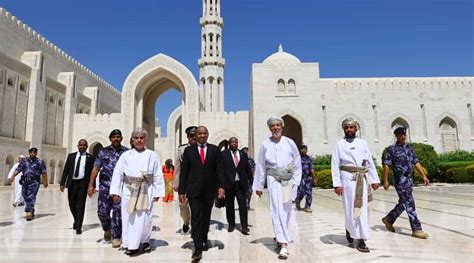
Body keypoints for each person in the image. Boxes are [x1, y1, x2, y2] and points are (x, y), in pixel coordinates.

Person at [253, 117, 302, 260]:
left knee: (286, 210)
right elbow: (261, 165)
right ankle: (283, 243)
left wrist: (296, 181)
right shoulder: (265, 144)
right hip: (273, 179)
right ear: (270, 128)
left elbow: (297, 162)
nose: (275, 128)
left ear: (282, 126)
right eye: (272, 126)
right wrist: (258, 185)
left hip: (287, 179)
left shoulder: (289, 142)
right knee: (276, 210)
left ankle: (282, 234)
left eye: (277, 125)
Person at [110, 128, 165, 256]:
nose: (139, 140)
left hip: (146, 190)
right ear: (132, 140)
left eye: (142, 138)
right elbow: (118, 173)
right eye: (136, 138)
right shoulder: (126, 155)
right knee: (129, 217)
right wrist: (115, 192)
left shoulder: (152, 155)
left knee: (145, 219)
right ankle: (131, 245)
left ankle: (145, 241)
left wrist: (157, 192)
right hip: (129, 190)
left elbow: (157, 174)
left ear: (146, 139)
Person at [331, 118, 380, 253]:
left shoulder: (363, 143)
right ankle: (354, 233)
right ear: (343, 129)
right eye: (346, 128)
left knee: (363, 208)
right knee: (350, 208)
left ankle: (360, 236)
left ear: (356, 129)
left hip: (362, 179)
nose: (349, 130)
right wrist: (337, 184)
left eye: (351, 127)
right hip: (347, 179)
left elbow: (369, 161)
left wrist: (375, 179)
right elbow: (335, 164)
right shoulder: (339, 144)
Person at [179, 126, 225, 261]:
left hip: (209, 190)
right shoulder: (188, 151)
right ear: (196, 135)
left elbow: (220, 170)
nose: (202, 135)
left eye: (205, 133)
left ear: (208, 134)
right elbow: (184, 172)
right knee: (196, 217)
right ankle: (197, 247)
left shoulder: (215, 150)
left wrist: (221, 187)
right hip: (193, 190)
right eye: (200, 133)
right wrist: (182, 190)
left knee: (206, 216)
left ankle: (204, 238)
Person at [382, 127, 430, 239]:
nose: (403, 137)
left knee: (404, 202)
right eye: (400, 135)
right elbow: (387, 165)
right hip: (400, 180)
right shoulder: (392, 149)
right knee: (409, 202)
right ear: (396, 136)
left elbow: (416, 162)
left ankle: (389, 219)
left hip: (409, 180)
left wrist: (423, 175)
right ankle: (416, 229)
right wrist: (386, 180)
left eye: (404, 134)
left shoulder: (410, 148)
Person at [87, 129, 129, 248]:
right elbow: (96, 168)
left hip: (120, 187)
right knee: (102, 211)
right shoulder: (103, 152)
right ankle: (107, 228)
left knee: (118, 212)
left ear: (121, 138)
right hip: (105, 186)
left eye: (118, 136)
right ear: (110, 139)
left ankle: (116, 236)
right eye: (114, 137)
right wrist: (91, 185)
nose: (116, 138)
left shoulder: (126, 152)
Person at [60, 139, 95, 235]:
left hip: (83, 184)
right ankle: (76, 219)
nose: (82, 147)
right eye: (80, 145)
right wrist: (62, 183)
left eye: (84, 145)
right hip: (72, 183)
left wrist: (92, 186)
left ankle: (79, 226)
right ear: (78, 146)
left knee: (81, 205)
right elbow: (66, 170)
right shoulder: (71, 156)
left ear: (87, 146)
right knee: (71, 204)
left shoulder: (90, 158)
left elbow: (93, 173)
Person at [222, 137, 253, 235]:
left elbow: (248, 169)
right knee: (230, 206)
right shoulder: (224, 154)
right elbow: (221, 170)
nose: (234, 144)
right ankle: (231, 224)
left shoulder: (243, 154)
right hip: (229, 184)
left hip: (241, 184)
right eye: (232, 142)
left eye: (235, 142)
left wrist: (252, 182)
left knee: (243, 206)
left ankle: (244, 226)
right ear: (229, 144)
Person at [9, 147, 48, 221]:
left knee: (31, 195)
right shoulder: (24, 161)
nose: (33, 153)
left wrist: (45, 182)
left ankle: (28, 211)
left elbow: (44, 172)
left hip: (35, 181)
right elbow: (18, 169)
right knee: (25, 195)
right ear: (29, 153)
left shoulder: (40, 162)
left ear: (36, 153)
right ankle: (31, 208)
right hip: (25, 181)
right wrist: (13, 176)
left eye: (34, 152)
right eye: (31, 152)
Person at [173, 126, 197, 234]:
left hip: (198, 182)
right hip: (186, 182)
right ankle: (186, 221)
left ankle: (196, 227)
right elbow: (178, 167)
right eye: (191, 136)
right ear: (188, 137)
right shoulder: (182, 149)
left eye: (195, 135)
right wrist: (176, 183)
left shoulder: (202, 148)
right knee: (183, 206)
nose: (194, 138)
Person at [295, 145, 315, 213]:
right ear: (300, 150)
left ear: (307, 150)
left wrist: (313, 178)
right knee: (301, 192)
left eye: (305, 149)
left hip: (308, 178)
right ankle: (298, 201)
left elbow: (312, 169)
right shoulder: (298, 159)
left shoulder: (309, 158)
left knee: (309, 193)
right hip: (300, 178)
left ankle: (307, 207)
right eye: (302, 149)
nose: (304, 150)